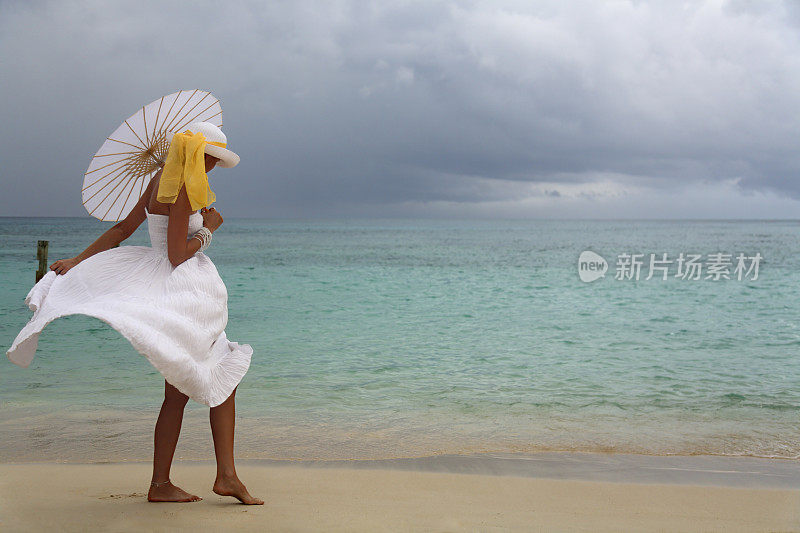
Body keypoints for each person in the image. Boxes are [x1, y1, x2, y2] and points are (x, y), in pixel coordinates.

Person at [6, 121, 263, 505]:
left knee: (197, 383)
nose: (212, 168)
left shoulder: (163, 176)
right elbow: (177, 255)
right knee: (200, 382)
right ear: (198, 154)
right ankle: (209, 478)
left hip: (177, 290)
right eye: (211, 159)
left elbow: (124, 228)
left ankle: (184, 481)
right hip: (181, 291)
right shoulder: (179, 191)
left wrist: (79, 259)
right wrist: (208, 229)